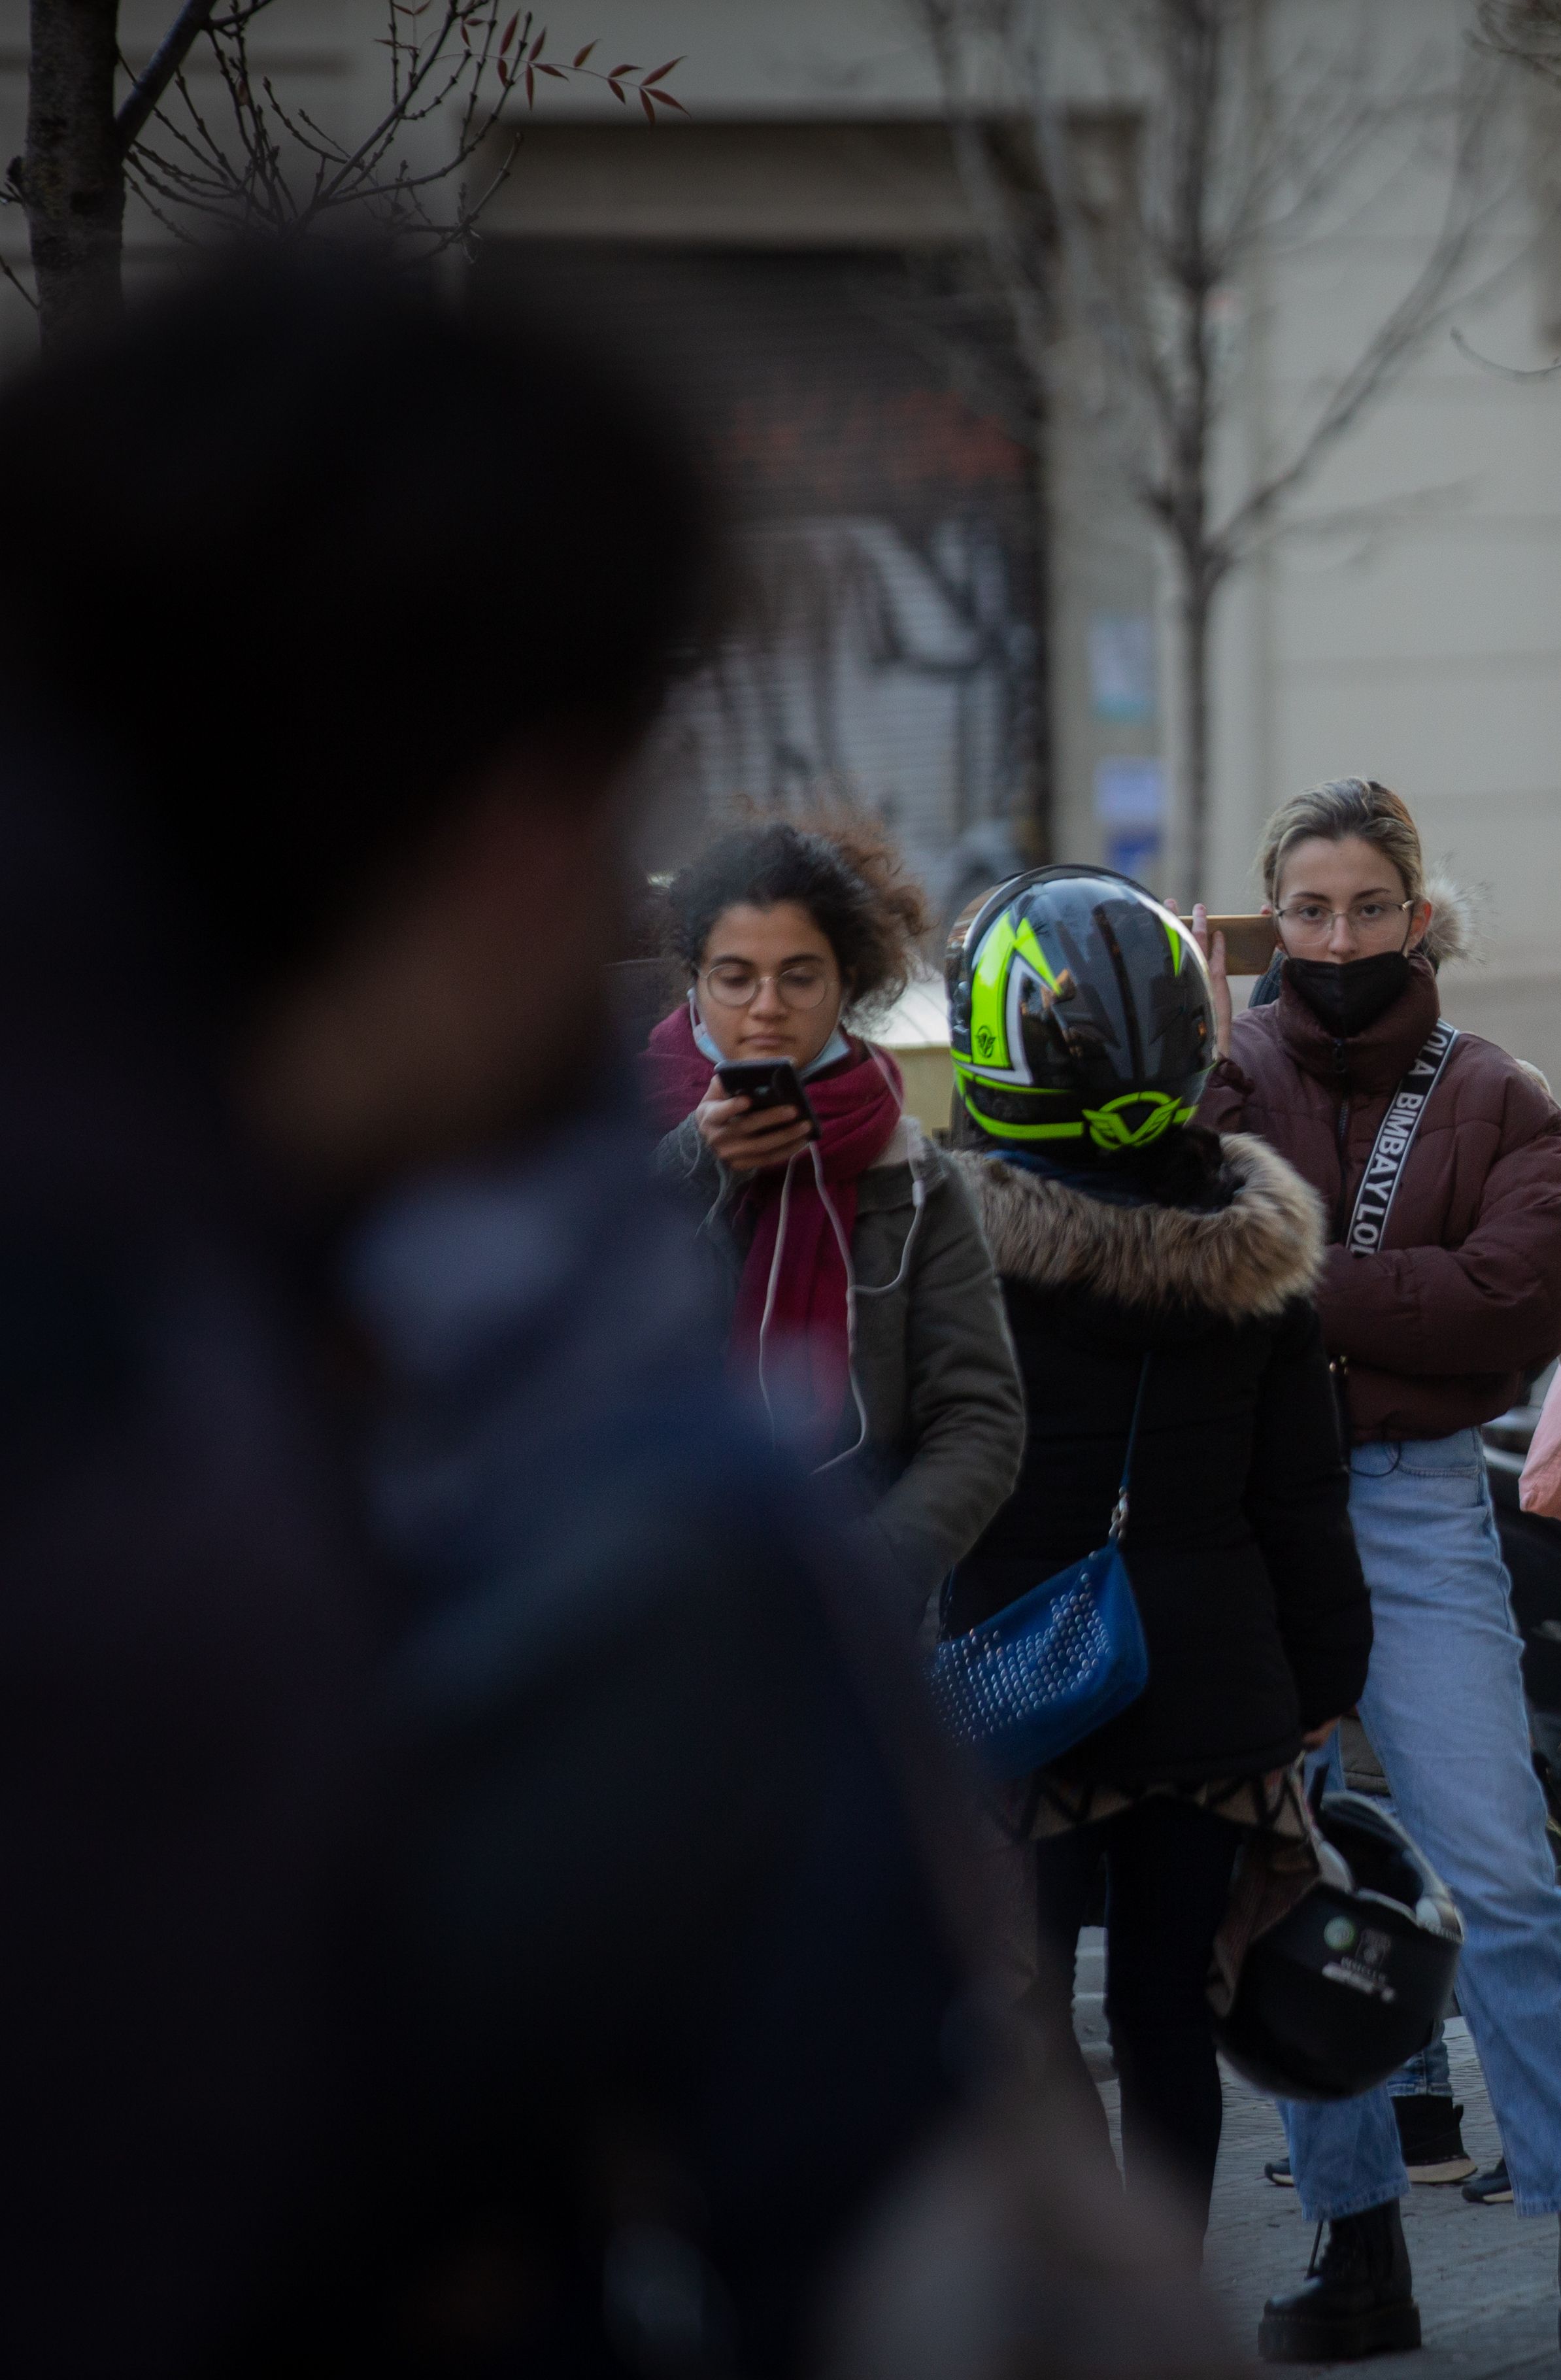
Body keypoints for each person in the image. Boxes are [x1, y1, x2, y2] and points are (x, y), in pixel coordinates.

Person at [0, 256, 1056, 2375]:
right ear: (511, 828)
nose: (620, 928)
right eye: (613, 817)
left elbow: (967, 1414)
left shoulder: (439, 1247)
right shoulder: (170, 1456)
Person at [1199, 777, 1561, 2361]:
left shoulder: (1497, 1094)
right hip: (1247, 1509)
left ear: (1419, 915)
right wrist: (1391, 1291)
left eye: (1371, 906)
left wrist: (1292, 1277)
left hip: (1417, 1502)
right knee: (1286, 1882)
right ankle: (1351, 2244)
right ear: (1273, 917)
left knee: (1504, 1881)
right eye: (1311, 909)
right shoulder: (1218, 1081)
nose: (1341, 935)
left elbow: (1519, 1305)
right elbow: (1201, 1289)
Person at [939, 864, 1365, 2237]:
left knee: (1025, 1993)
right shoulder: (1258, 1259)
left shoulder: (944, 1252)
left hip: (1015, 1688)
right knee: (1170, 2002)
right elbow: (1304, 1494)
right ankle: (1169, 2299)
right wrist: (1323, 1675)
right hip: (1211, 1686)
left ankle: (1084, 2290)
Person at [643, 817, 1024, 1607]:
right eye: (735, 977)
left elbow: (981, 1420)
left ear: (847, 981)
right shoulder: (616, 1148)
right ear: (695, 981)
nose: (766, 1008)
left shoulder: (915, 1177)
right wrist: (696, 1163)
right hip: (662, 1612)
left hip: (857, 1621)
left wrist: (861, 1576)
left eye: (800, 976)